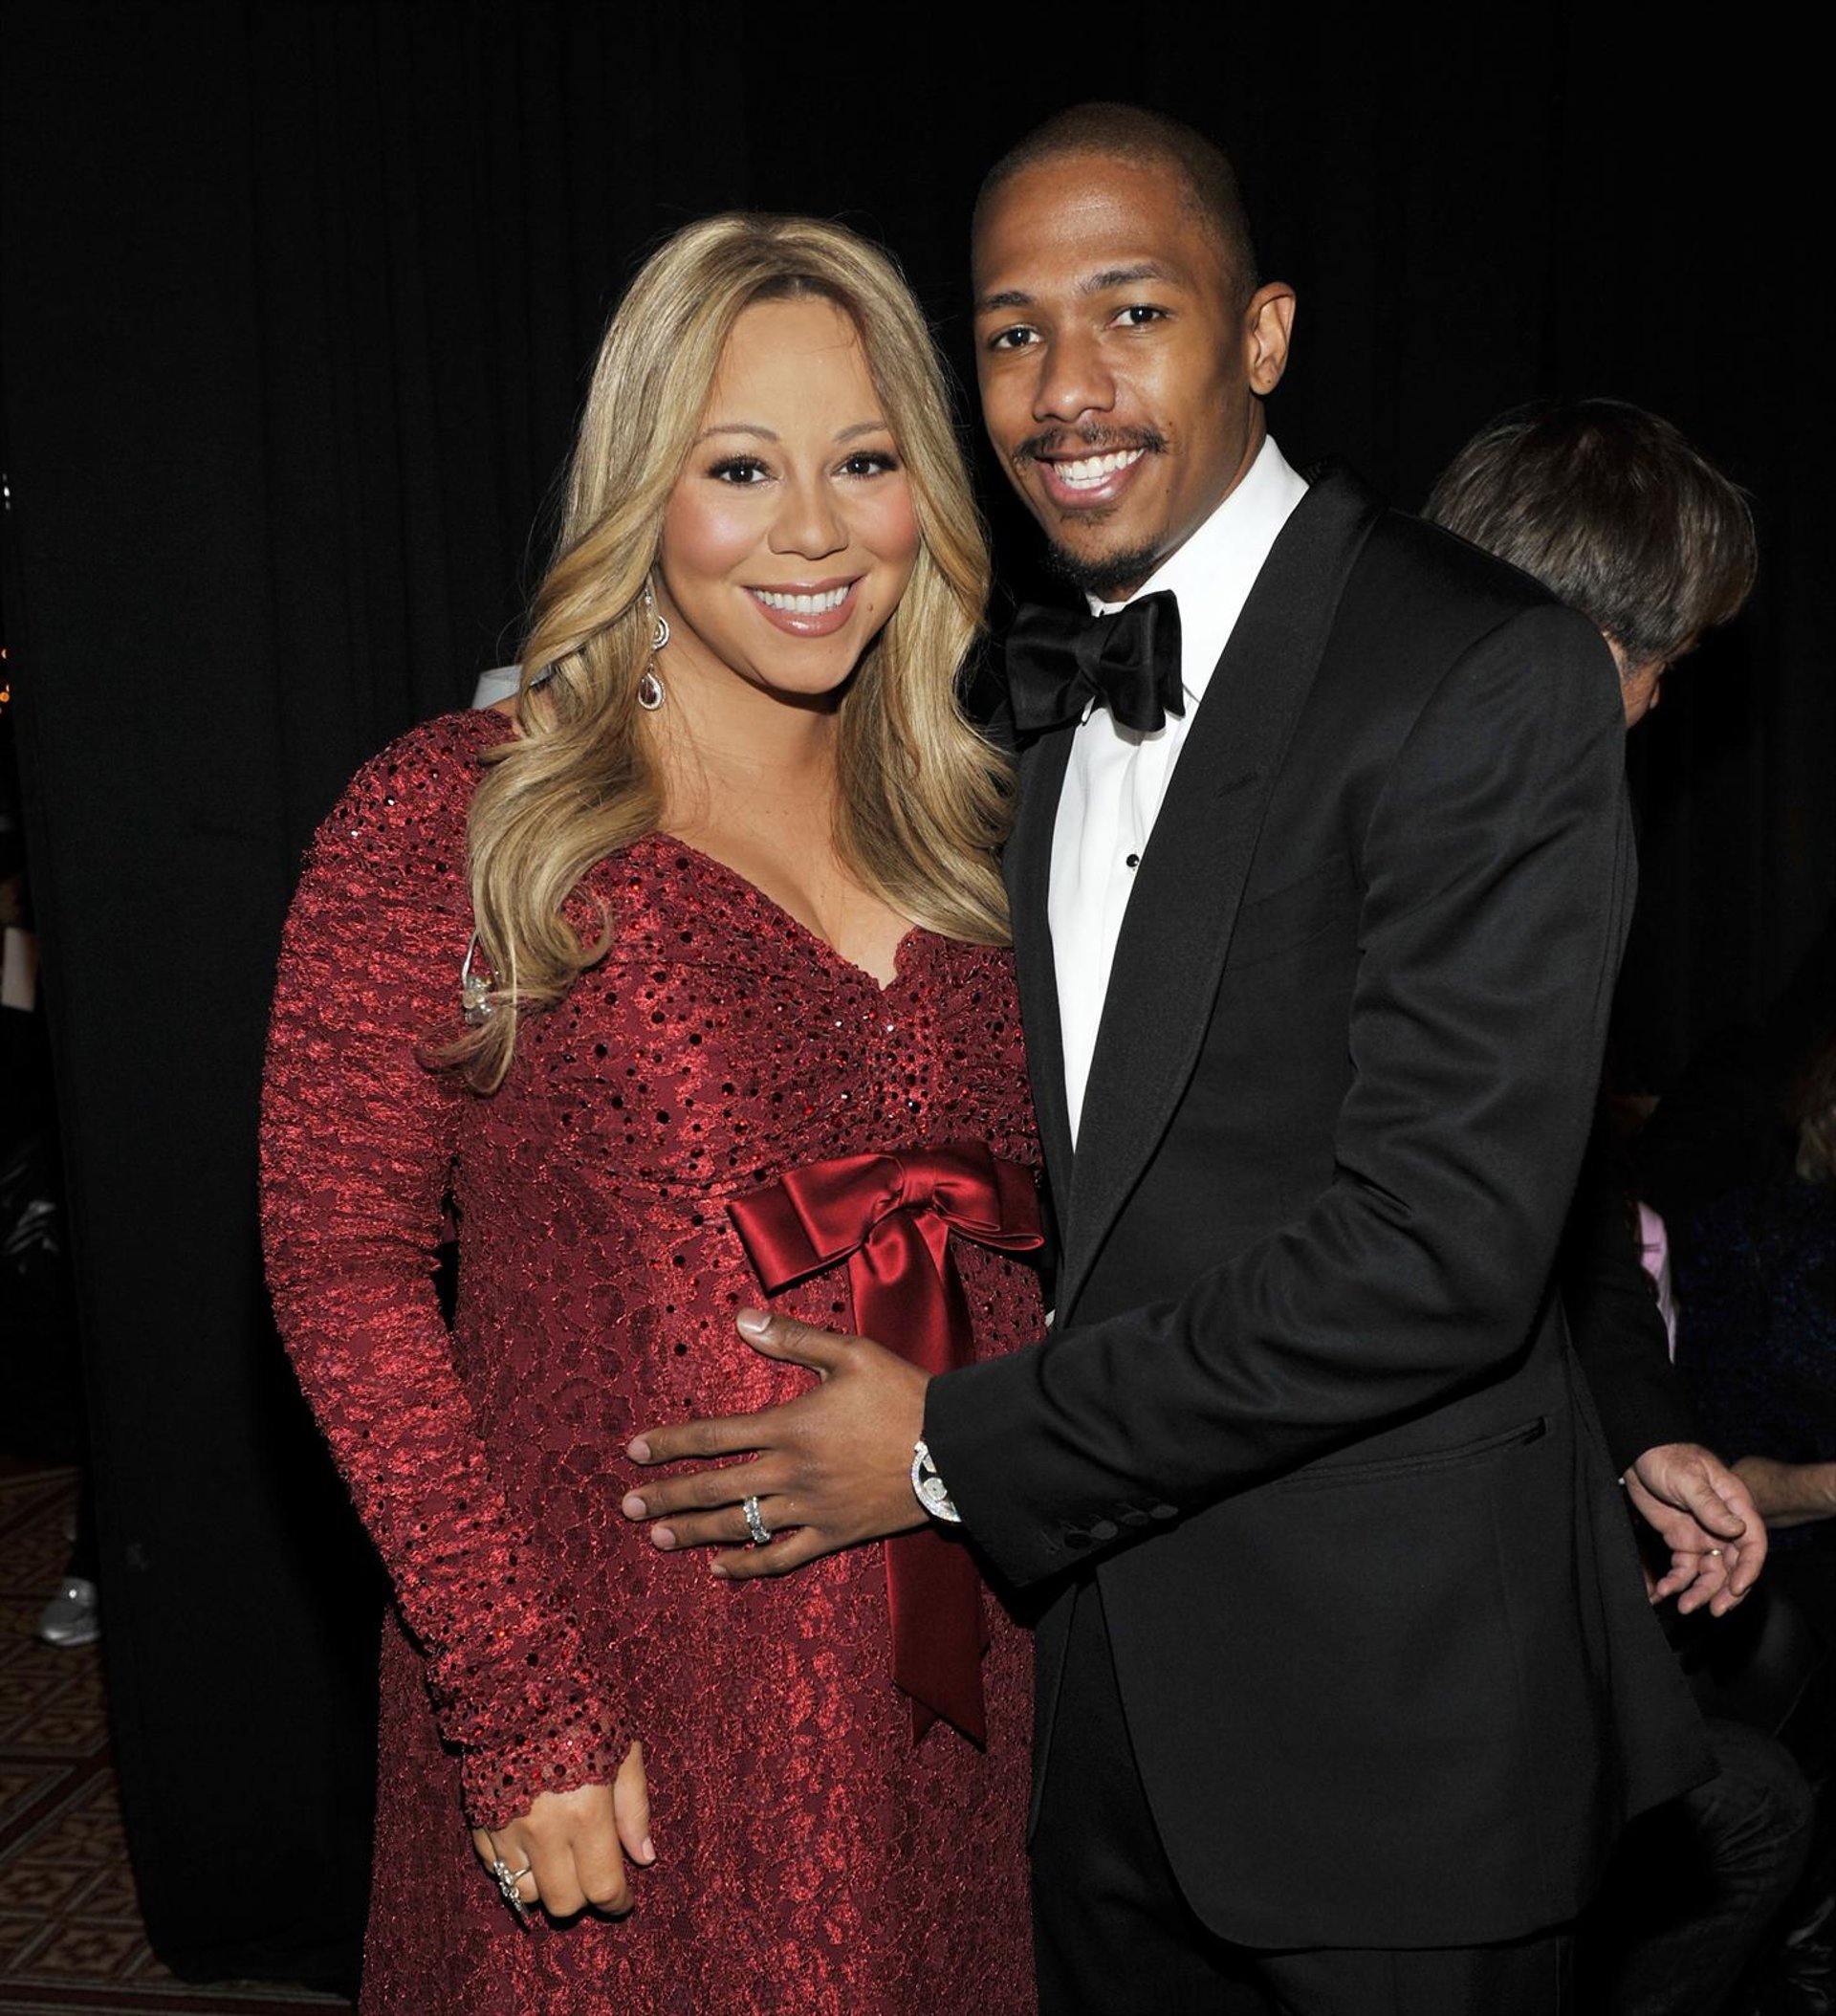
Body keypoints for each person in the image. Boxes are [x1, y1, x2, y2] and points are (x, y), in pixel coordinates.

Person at [621, 107, 1715, 2014]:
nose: (1066, 386)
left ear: (1264, 333)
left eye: (1132, 312)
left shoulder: (1481, 668)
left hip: (1390, 1740)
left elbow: (1442, 1255)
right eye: (1013, 332)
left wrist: (951, 1449)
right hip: (1086, 1720)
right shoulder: (1006, 694)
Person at [260, 213, 1043, 2016]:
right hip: (625, 1703)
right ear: (643, 488)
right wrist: (512, 1693)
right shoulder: (459, 818)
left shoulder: (990, 832)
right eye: (740, 467)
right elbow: (340, 1266)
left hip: (963, 1685)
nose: (813, 530)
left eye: (866, 462)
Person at [1429, 400, 1810, 2016]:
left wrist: (1644, 1435)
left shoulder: (1556, 826)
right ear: (1587, 642)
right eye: (1666, 666)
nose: (1661, 707)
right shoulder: (1387, 818)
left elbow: (1565, 1202)